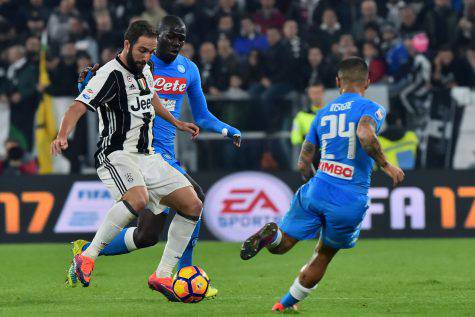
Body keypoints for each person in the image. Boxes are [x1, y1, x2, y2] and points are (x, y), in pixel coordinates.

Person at [74, 15, 241, 300]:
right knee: (195, 199)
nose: (175, 43)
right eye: (170, 36)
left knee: (146, 237)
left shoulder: (188, 70)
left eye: (181, 38)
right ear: (156, 36)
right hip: (142, 153)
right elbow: (97, 92)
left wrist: (227, 129)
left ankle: (86, 250)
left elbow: (201, 115)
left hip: (163, 156)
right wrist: (83, 87)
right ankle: (183, 275)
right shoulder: (137, 63)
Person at [239, 57, 405, 312]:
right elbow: (364, 134)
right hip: (349, 197)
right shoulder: (371, 108)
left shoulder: (323, 113)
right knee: (323, 254)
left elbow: (304, 159)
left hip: (317, 188)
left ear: (338, 82)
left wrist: (312, 180)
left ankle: (271, 236)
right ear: (368, 82)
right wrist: (386, 165)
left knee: (282, 245)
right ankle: (284, 304)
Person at [55, 21, 202, 297]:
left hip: (148, 156)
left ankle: (162, 276)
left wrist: (177, 122)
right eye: (142, 50)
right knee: (138, 199)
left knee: (193, 203)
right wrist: (62, 135)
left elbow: (153, 98)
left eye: (150, 51)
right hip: (116, 154)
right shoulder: (108, 75)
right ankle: (87, 255)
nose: (147, 57)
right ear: (127, 45)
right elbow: (76, 107)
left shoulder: (145, 68)